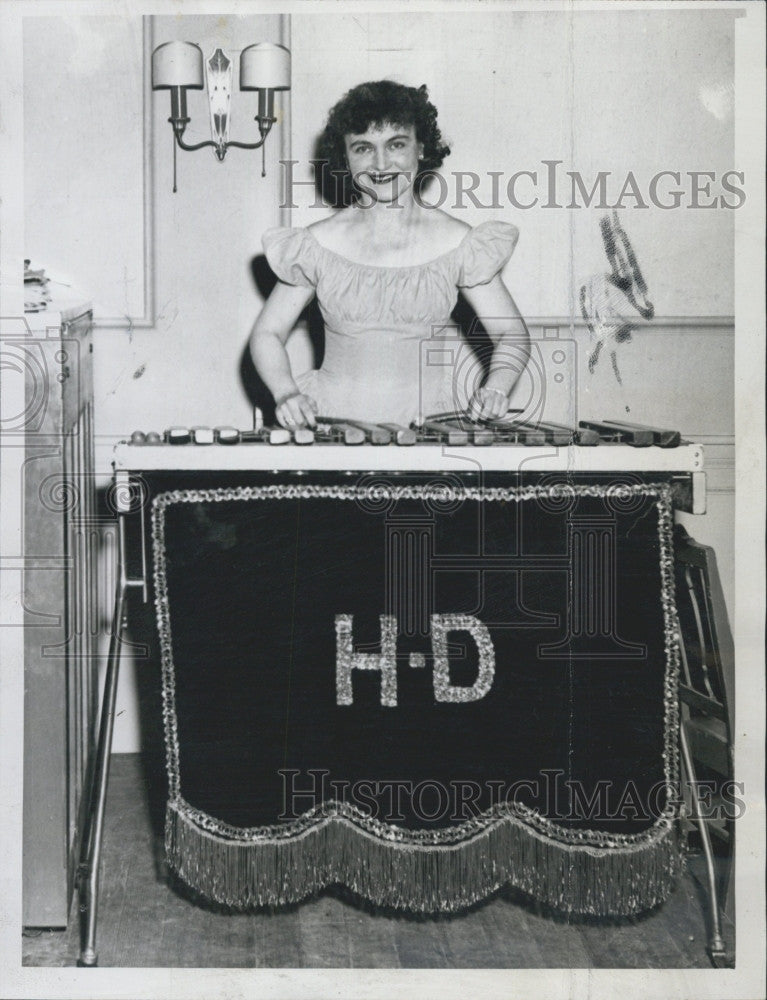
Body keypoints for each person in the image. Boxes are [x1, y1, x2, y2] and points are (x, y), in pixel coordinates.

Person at [250, 80, 530, 429]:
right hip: (329, 427)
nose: (381, 164)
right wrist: (286, 393)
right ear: (346, 156)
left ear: (421, 148)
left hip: (430, 430)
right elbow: (267, 334)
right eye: (363, 148)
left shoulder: (459, 243)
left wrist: (497, 387)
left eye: (396, 144)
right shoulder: (316, 245)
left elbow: (512, 335)